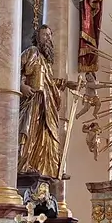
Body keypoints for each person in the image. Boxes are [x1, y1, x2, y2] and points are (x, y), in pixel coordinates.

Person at [19, 25, 71, 176]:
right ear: (37, 37)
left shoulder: (46, 61)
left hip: (47, 105)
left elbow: (50, 83)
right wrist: (22, 86)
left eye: (50, 35)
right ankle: (25, 165)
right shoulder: (31, 52)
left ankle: (50, 168)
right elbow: (13, 69)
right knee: (29, 133)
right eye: (45, 35)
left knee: (49, 135)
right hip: (33, 100)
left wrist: (67, 84)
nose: (48, 38)